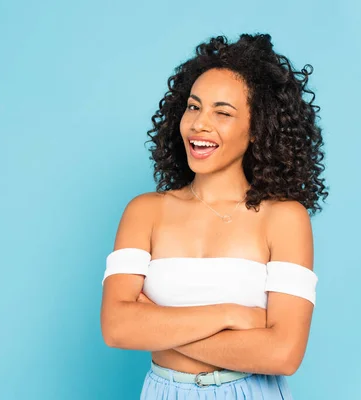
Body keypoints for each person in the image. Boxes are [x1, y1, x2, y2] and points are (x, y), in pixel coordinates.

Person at [100, 33, 328, 399]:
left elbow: (283, 354)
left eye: (222, 112)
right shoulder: (144, 211)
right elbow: (115, 328)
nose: (199, 124)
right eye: (193, 107)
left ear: (257, 130)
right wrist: (229, 314)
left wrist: (159, 331)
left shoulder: (285, 218)